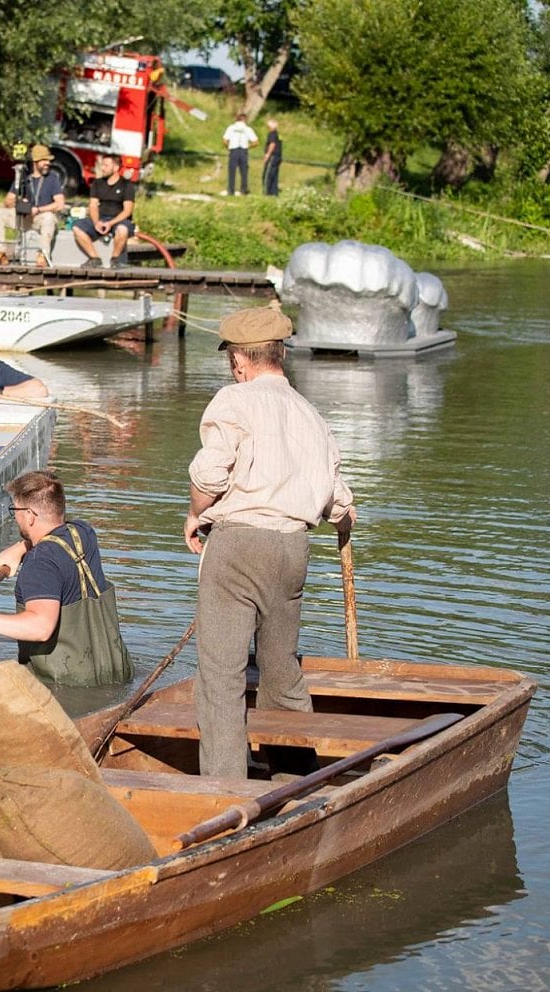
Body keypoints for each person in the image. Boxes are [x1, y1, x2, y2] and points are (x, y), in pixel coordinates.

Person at [184, 306, 356, 778]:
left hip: (238, 547)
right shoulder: (311, 414)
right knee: (281, 671)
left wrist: (195, 514)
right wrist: (341, 519)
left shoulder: (233, 401)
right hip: (292, 550)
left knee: (221, 677)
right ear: (278, 355)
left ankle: (224, 790)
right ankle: (298, 777)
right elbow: (341, 505)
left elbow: (209, 472)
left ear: (240, 360)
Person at [0, 470, 132, 687]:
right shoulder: (84, 532)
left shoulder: (39, 563)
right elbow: (56, 533)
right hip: (113, 673)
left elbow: (40, 627)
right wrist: (21, 547)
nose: (15, 517)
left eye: (14, 510)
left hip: (66, 686)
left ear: (29, 515)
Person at [0, 145, 67, 267]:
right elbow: (8, 200)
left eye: (49, 160)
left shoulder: (52, 178)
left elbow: (60, 204)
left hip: (39, 218)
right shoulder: (23, 177)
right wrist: (19, 203)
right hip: (23, 217)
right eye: (44, 160)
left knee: (49, 218)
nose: (48, 163)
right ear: (36, 162)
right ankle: (1, 252)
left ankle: (42, 255)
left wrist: (39, 209)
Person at [73, 155, 137, 269]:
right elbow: (93, 206)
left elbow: (127, 211)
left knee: (122, 229)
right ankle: (94, 258)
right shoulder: (97, 184)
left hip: (119, 220)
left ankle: (115, 259)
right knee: (77, 227)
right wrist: (96, 222)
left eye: (106, 165)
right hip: (101, 218)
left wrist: (110, 223)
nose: (102, 168)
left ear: (116, 167)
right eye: (102, 165)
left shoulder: (127, 185)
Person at [223, 113, 258, 196]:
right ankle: (244, 190)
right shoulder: (247, 129)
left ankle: (231, 190)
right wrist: (248, 147)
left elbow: (224, 140)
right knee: (244, 171)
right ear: (245, 120)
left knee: (232, 171)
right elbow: (255, 142)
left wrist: (228, 147)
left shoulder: (231, 128)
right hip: (243, 150)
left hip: (233, 150)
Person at [262, 118, 282, 197]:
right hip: (278, 156)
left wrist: (267, 154)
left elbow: (272, 144)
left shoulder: (272, 134)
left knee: (268, 174)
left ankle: (267, 191)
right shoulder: (278, 134)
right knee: (274, 174)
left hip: (272, 156)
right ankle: (274, 192)